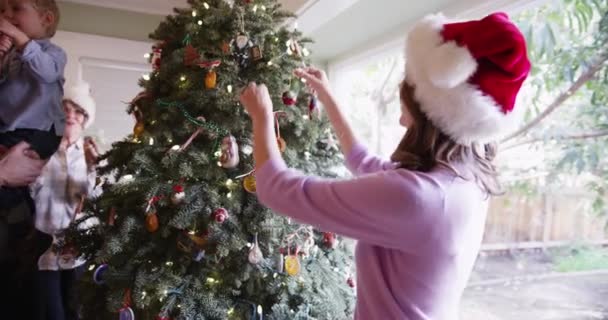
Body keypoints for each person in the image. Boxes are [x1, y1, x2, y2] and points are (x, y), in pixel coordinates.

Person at [239, 12, 530, 319]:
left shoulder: (418, 197)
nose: (400, 116)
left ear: (430, 108)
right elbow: (364, 162)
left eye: (408, 93)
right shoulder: (463, 180)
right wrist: (329, 99)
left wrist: (262, 118)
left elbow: (277, 189)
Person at [32, 82, 99, 320]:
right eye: (66, 109)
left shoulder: (92, 153)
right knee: (50, 311)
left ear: (85, 117)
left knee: (76, 310)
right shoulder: (43, 149)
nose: (70, 115)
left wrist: (94, 168)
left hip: (78, 245)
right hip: (43, 243)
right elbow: (30, 190)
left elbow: (97, 200)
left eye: (77, 110)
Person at [0, 0, 66, 210]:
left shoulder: (54, 53)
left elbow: (46, 73)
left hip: (40, 130)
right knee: (13, 183)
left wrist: (20, 39)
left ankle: (23, 222)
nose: (7, 16)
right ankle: (23, 222)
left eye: (16, 8)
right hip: (10, 128)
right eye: (2, 11)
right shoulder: (9, 55)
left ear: (46, 19)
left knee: (20, 175)